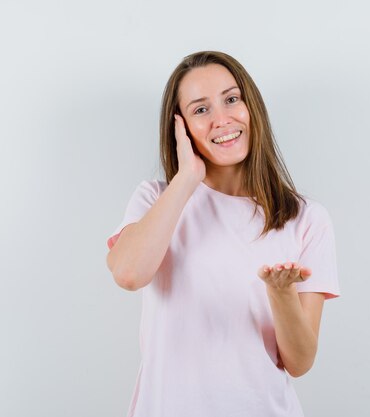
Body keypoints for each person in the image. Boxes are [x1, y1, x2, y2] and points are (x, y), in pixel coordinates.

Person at [105, 51, 340, 417]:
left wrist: (280, 295)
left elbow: (300, 361)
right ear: (179, 127)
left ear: (251, 106)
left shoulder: (306, 218)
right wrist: (186, 180)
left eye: (231, 99)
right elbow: (129, 273)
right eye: (201, 110)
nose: (221, 119)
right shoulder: (155, 198)